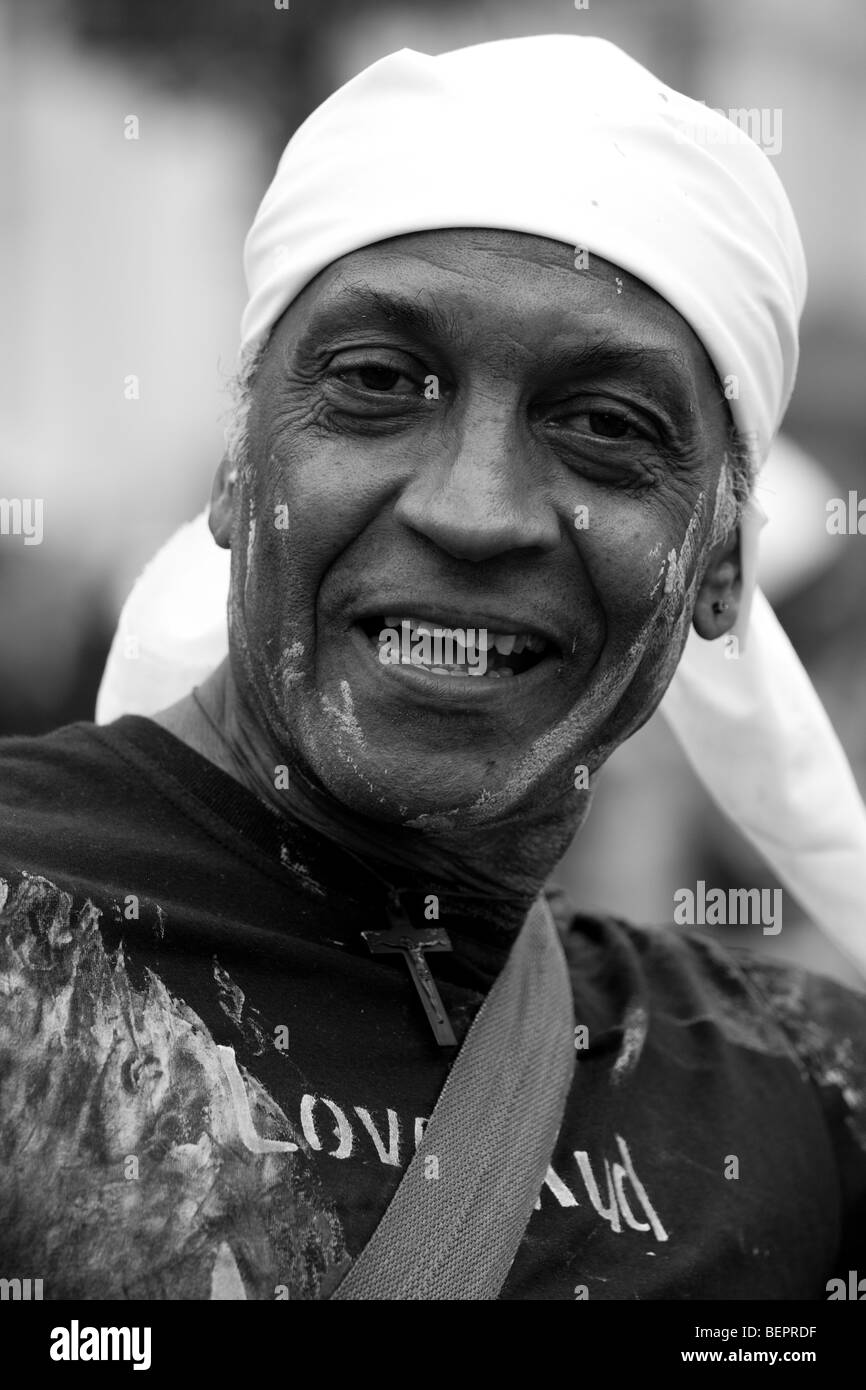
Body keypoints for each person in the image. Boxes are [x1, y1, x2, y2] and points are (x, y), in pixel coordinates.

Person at [1, 35, 864, 1302]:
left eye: (604, 425)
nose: (473, 511)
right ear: (233, 471)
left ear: (721, 562)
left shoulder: (794, 1098)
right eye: (374, 383)